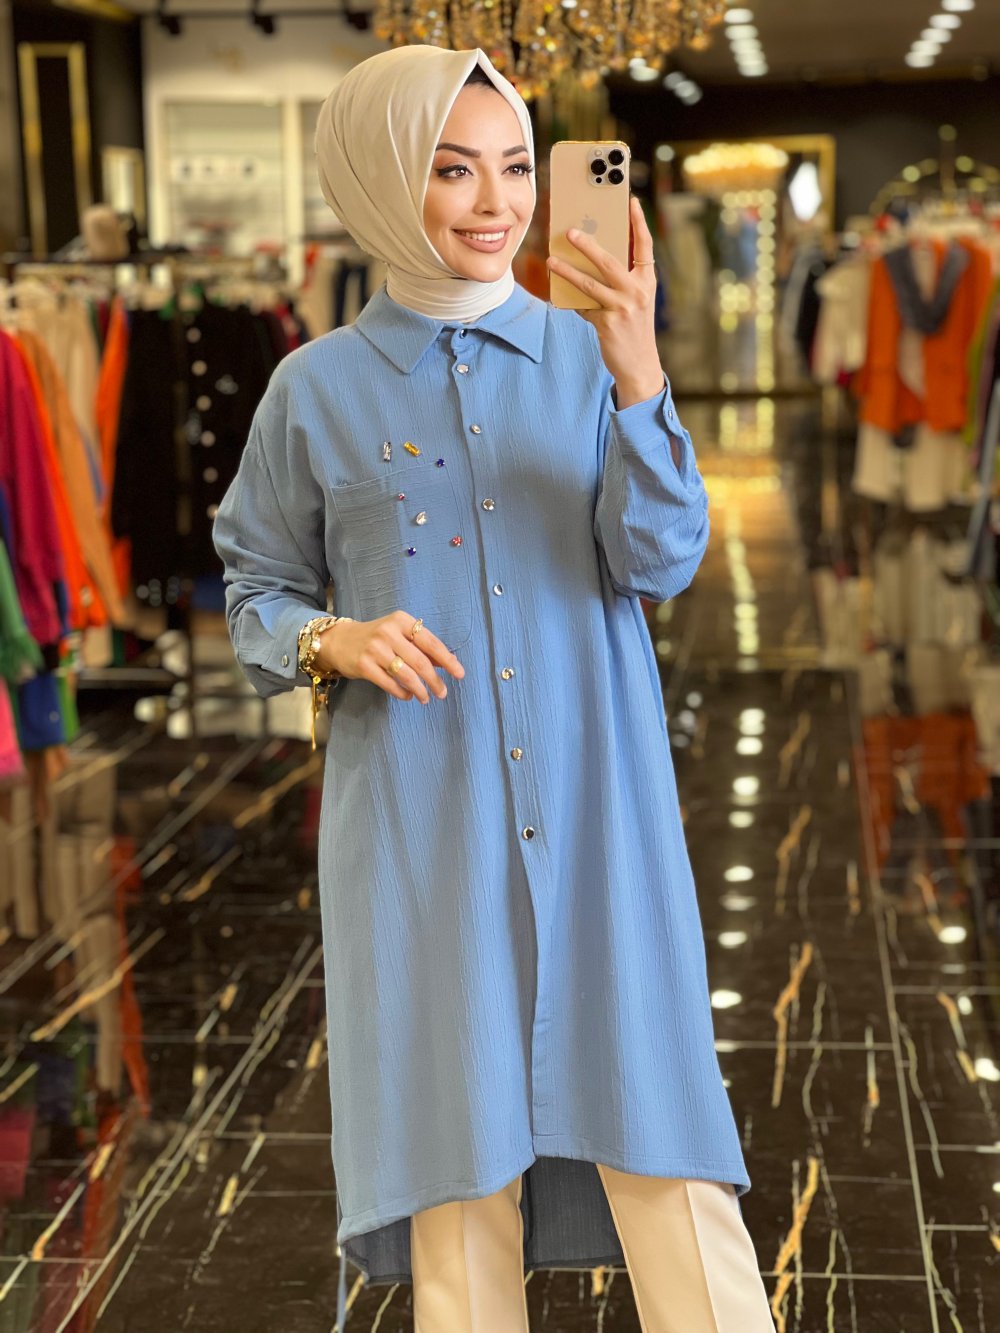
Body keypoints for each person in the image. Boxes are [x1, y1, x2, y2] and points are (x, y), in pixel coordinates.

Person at [213, 44, 775, 1333]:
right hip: (423, 818)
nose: (497, 203)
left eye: (517, 168)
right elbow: (256, 586)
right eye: (452, 169)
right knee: (454, 1169)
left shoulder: (587, 357)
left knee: (665, 1137)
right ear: (377, 178)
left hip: (599, 805)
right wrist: (331, 641)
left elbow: (661, 560)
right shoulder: (313, 387)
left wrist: (639, 371)